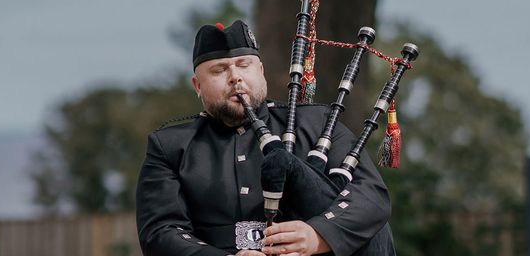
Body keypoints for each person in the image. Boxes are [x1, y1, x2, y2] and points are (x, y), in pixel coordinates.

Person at [136, 20, 394, 256]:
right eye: (219, 70)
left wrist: (318, 235)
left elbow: (370, 196)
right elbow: (161, 231)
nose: (235, 76)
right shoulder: (170, 146)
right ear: (197, 86)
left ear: (261, 71)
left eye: (244, 65)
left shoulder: (317, 123)